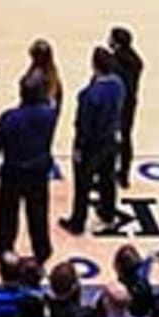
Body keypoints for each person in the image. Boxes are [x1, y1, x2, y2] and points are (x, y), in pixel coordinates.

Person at [0, 73, 57, 264]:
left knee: (8, 213)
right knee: (38, 213)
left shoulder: (9, 117)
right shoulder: (49, 115)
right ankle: (42, 250)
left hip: (13, 172)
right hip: (38, 171)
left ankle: (5, 247)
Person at [59, 47, 126, 237]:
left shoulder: (89, 95)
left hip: (92, 146)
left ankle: (77, 222)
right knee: (108, 179)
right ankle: (108, 212)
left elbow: (84, 126)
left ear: (94, 65)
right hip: (111, 140)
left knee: (83, 185)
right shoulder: (119, 84)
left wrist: (79, 147)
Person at [109, 26, 143, 188]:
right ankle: (124, 173)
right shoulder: (136, 60)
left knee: (110, 138)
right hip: (130, 104)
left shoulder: (114, 63)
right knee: (126, 138)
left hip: (117, 104)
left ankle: (107, 172)